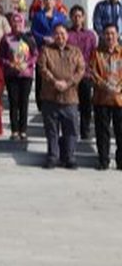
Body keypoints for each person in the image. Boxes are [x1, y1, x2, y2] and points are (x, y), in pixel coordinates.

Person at [38, 23, 85, 169]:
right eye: (57, 33)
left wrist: (68, 83)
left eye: (63, 33)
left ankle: (70, 157)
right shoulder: (46, 50)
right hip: (50, 96)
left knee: (70, 130)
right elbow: (42, 68)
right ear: (53, 36)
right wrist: (54, 82)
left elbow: (81, 70)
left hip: (70, 97)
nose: (60, 36)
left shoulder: (76, 51)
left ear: (67, 35)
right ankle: (53, 156)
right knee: (51, 130)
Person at [0, 11, 38, 140]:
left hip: (26, 74)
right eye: (14, 22)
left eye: (19, 22)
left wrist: (28, 64)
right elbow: (1, 56)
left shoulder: (29, 38)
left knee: (24, 102)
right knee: (13, 102)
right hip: (11, 74)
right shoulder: (6, 38)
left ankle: (23, 130)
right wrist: (9, 64)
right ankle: (14, 130)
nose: (17, 24)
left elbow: (35, 54)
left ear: (23, 23)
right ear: (10, 23)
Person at [90, 25, 122, 170]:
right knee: (102, 132)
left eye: (112, 33)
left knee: (120, 131)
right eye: (107, 33)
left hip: (119, 99)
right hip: (101, 98)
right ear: (103, 35)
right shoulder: (96, 53)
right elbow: (92, 72)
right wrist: (104, 85)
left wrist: (119, 87)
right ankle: (103, 160)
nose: (110, 37)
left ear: (118, 35)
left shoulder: (121, 53)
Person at [67, 5, 98, 139]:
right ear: (71, 18)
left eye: (79, 16)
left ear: (84, 18)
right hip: (70, 74)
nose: (77, 19)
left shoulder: (90, 35)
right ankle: (72, 130)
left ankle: (85, 130)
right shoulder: (67, 34)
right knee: (71, 105)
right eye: (74, 16)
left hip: (86, 74)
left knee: (86, 105)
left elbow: (94, 54)